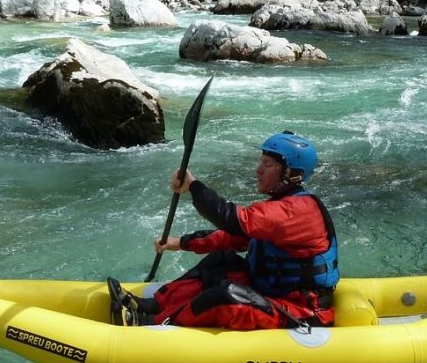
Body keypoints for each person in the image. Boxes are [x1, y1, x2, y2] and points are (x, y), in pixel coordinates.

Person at [107, 131, 339, 330]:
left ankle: (151, 323)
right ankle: (151, 304)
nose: (258, 170)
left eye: (267, 165)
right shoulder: (279, 206)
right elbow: (232, 238)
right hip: (273, 291)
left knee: (226, 295)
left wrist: (193, 186)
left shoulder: (296, 211)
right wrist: (181, 243)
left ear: (290, 174)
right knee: (220, 262)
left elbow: (230, 219)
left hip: (300, 311)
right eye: (261, 162)